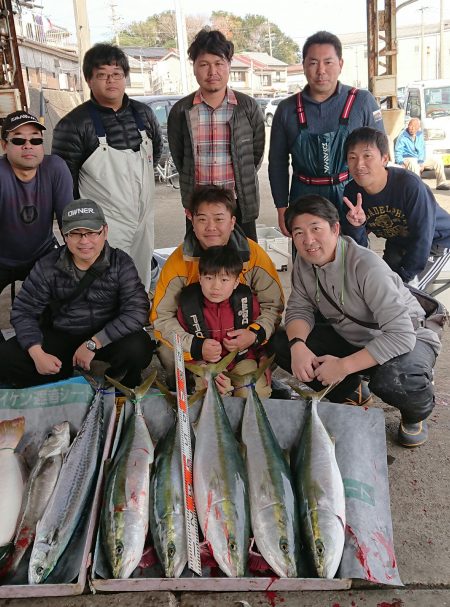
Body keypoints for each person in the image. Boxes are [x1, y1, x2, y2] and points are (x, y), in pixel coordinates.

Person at [269, 194, 441, 447]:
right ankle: (353, 392)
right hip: (353, 338)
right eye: (299, 233)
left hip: (408, 339)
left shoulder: (367, 266)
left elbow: (401, 335)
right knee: (281, 343)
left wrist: (344, 366)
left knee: (395, 378)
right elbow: (299, 309)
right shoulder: (304, 264)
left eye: (316, 229)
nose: (308, 241)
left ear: (335, 228)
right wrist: (297, 345)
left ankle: (415, 414)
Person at [0, 199, 154, 388]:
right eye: (75, 234)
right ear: (65, 236)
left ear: (105, 231)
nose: (84, 241)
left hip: (106, 336)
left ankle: (115, 381)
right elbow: (23, 311)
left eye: (91, 232)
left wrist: (94, 343)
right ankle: (60, 373)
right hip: (61, 333)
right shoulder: (47, 266)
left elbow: (137, 310)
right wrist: (37, 353)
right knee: (7, 356)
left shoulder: (121, 263)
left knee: (139, 348)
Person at [52, 43, 163, 291]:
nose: (110, 81)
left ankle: (136, 322)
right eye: (101, 75)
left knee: (140, 278)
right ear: (89, 80)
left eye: (117, 74)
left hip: (143, 217)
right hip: (102, 223)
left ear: (125, 78)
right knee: (104, 285)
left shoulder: (144, 114)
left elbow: (154, 155)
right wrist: (75, 233)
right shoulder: (73, 124)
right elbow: (62, 186)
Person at [150, 185, 284, 386]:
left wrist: (253, 335)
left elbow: (274, 305)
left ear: (232, 222)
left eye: (219, 219)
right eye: (202, 219)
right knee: (165, 348)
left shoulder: (254, 255)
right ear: (191, 220)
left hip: (243, 347)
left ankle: (257, 372)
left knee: (280, 337)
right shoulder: (178, 262)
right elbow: (161, 317)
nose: (211, 227)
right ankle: (186, 381)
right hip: (198, 344)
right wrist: (195, 347)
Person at [268, 30, 385, 235]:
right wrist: (281, 208)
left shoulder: (362, 101)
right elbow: (277, 163)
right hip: (303, 197)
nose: (321, 70)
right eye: (313, 63)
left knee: (353, 260)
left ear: (340, 64)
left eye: (328, 62)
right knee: (308, 257)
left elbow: (381, 157)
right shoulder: (286, 109)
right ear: (304, 65)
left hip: (350, 195)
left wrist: (374, 203)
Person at [167, 28, 266, 242]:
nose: (212, 72)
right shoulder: (181, 111)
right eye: (204, 64)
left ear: (229, 65)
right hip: (199, 208)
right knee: (202, 270)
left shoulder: (247, 107)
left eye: (219, 63)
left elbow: (255, 155)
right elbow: (180, 158)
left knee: (244, 264)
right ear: (194, 68)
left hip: (239, 204)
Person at [342, 127, 450, 289]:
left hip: (437, 242)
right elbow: (359, 248)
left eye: (367, 156)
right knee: (377, 288)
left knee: (406, 297)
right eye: (352, 157)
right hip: (398, 242)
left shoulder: (409, 185)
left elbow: (423, 236)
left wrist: (404, 279)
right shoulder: (352, 192)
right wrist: (357, 227)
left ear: (384, 159)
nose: (359, 164)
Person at [177, 244, 271, 397]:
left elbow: (258, 336)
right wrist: (199, 365)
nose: (215, 286)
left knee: (255, 392)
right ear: (199, 279)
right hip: (207, 364)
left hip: (243, 359)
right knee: (215, 393)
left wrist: (262, 357)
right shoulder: (189, 305)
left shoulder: (246, 301)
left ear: (235, 283)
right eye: (208, 278)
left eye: (224, 279)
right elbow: (183, 344)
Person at [0, 110, 73, 295]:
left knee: (70, 295)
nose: (28, 146)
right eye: (18, 140)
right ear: (4, 145)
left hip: (42, 253)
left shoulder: (55, 168)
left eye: (35, 140)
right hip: (2, 258)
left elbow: (69, 222)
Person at [394, 118, 450, 191]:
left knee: (437, 161)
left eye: (414, 126)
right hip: (407, 158)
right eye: (410, 125)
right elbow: (398, 151)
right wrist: (400, 162)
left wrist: (421, 162)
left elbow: (422, 149)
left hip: (418, 158)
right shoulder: (403, 136)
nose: (411, 128)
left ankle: (441, 183)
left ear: (418, 127)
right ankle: (418, 186)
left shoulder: (420, 135)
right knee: (414, 164)